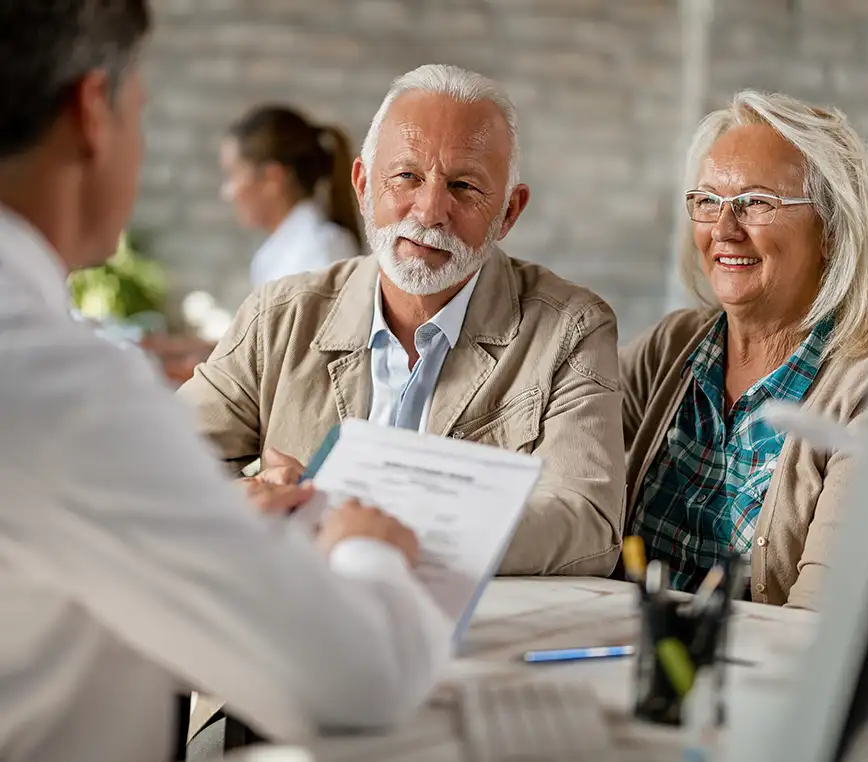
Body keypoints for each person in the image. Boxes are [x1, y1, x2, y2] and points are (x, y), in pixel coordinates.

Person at [0, 4, 452, 762]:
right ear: (91, 114)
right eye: (139, 114)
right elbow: (356, 680)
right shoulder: (66, 389)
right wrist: (365, 547)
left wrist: (207, 513)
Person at [179, 64, 627, 577]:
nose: (430, 209)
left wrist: (392, 530)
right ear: (363, 185)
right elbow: (158, 462)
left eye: (463, 186)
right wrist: (244, 499)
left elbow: (588, 523)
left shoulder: (571, 330)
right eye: (407, 176)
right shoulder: (278, 316)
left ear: (508, 212)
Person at [621, 91, 868, 608]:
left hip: (759, 679)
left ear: (831, 231)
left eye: (756, 203)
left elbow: (817, 623)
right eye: (707, 201)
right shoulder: (670, 347)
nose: (724, 230)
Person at [220, 105, 361, 287]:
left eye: (233, 175)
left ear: (272, 178)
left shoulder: (323, 249)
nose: (227, 193)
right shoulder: (275, 254)